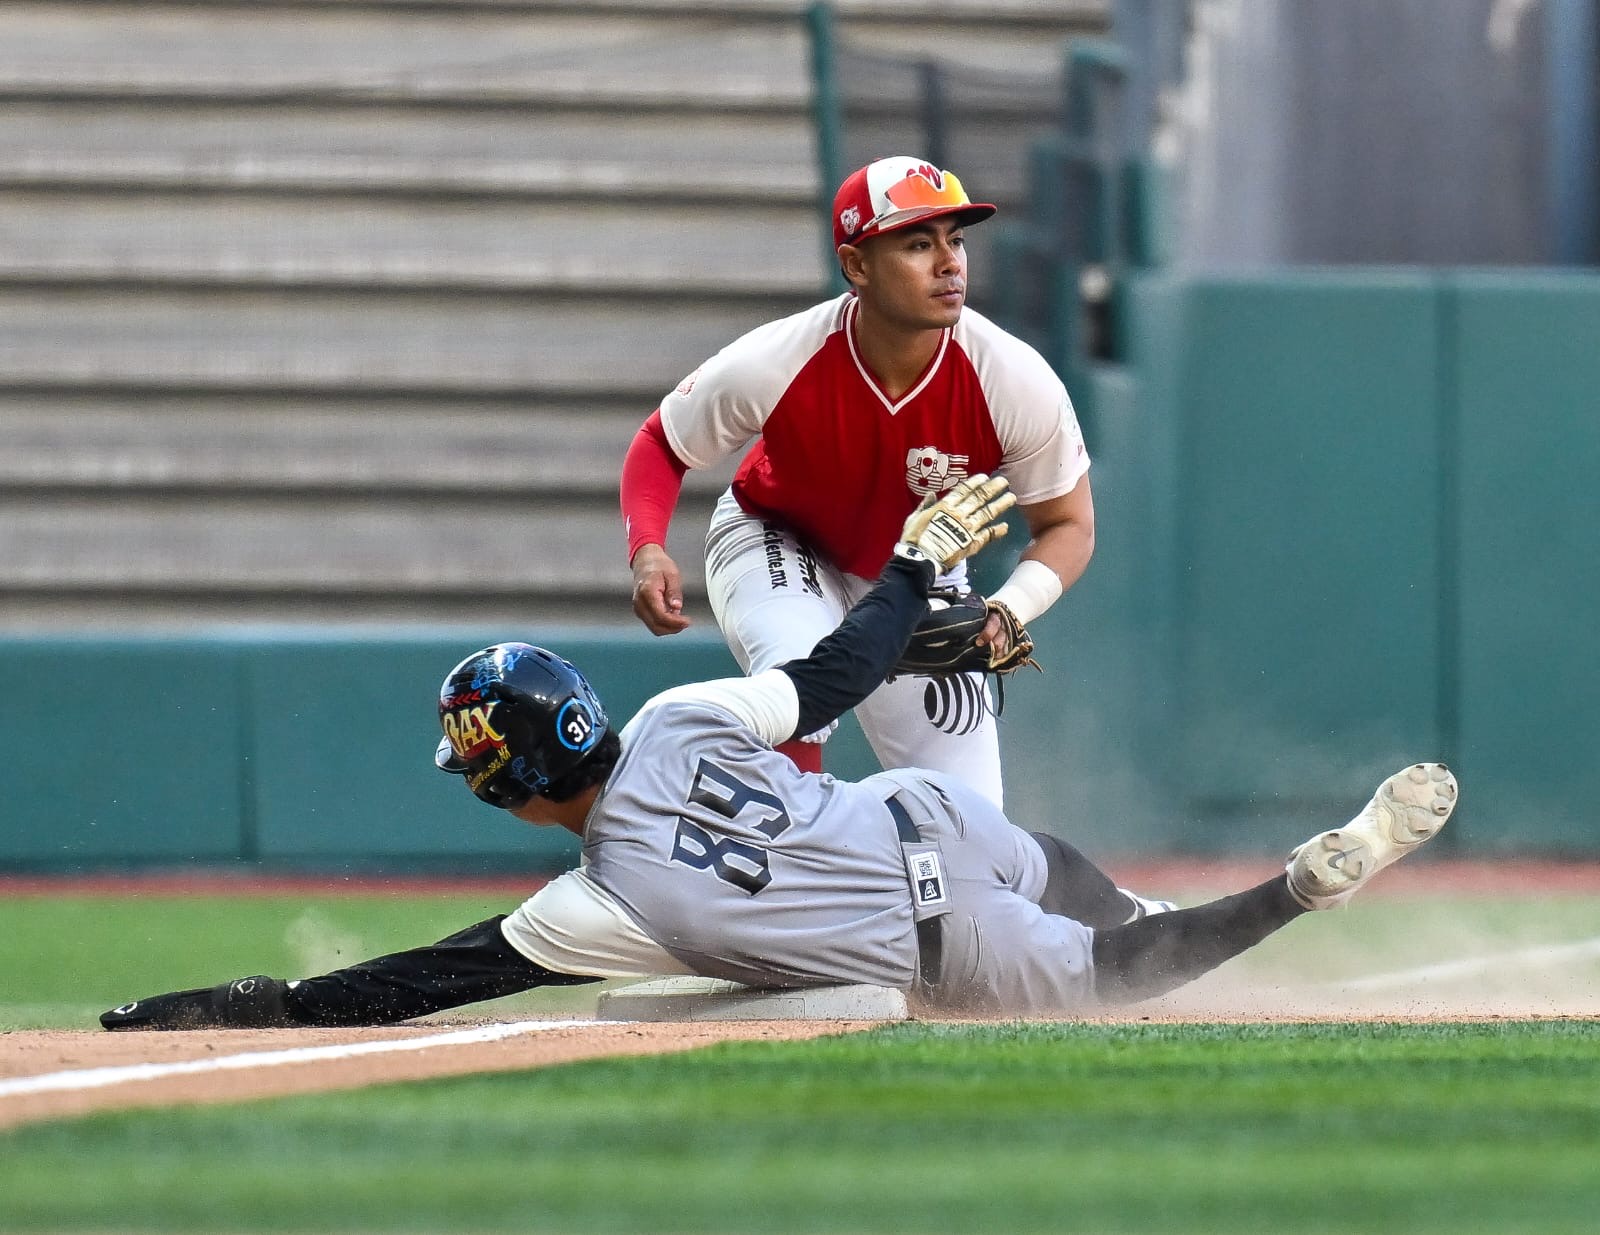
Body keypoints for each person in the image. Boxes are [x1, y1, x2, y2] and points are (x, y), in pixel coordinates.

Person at [101, 477, 1458, 1030]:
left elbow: (414, 981)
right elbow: (840, 674)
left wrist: (249, 1000)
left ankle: (1296, 888)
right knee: (1084, 889)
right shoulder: (681, 715)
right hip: (926, 814)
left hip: (939, 945)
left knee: (1125, 978)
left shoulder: (594, 904)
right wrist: (913, 565)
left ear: (507, 781)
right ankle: (1211, 897)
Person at [621, 154, 1091, 813]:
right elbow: (661, 443)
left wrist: (1011, 606)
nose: (949, 263)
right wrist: (647, 548)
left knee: (972, 821)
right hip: (779, 537)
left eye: (955, 240)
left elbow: (1069, 524)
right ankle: (793, 861)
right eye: (918, 244)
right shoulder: (781, 358)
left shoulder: (1011, 378)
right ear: (856, 265)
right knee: (801, 675)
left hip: (920, 569)